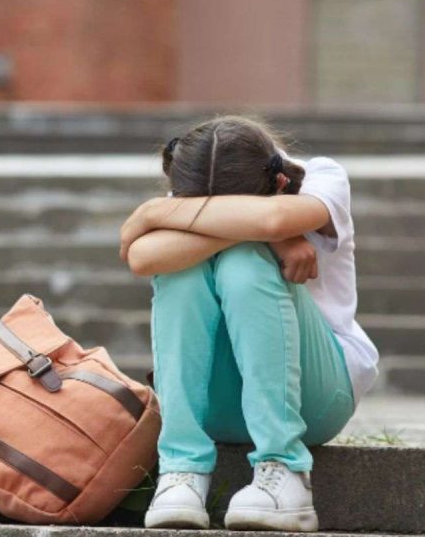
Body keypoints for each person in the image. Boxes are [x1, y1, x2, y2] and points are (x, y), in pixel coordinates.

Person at [119, 116, 379, 531]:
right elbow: (143, 258)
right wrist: (264, 231)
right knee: (179, 271)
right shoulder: (200, 182)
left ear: (278, 186)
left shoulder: (321, 178)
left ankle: (285, 470)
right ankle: (181, 470)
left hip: (317, 397)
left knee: (244, 261)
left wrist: (157, 212)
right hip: (220, 405)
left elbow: (274, 221)